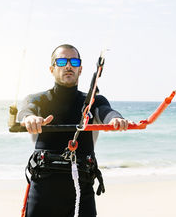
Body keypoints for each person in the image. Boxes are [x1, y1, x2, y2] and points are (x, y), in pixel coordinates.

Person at [18, 44, 131, 217]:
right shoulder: (37, 100)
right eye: (62, 61)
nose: (68, 66)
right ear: (52, 68)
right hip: (43, 187)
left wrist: (116, 120)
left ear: (80, 69)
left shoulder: (95, 101)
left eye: (74, 61)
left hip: (82, 188)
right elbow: (26, 111)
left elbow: (106, 112)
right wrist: (29, 119)